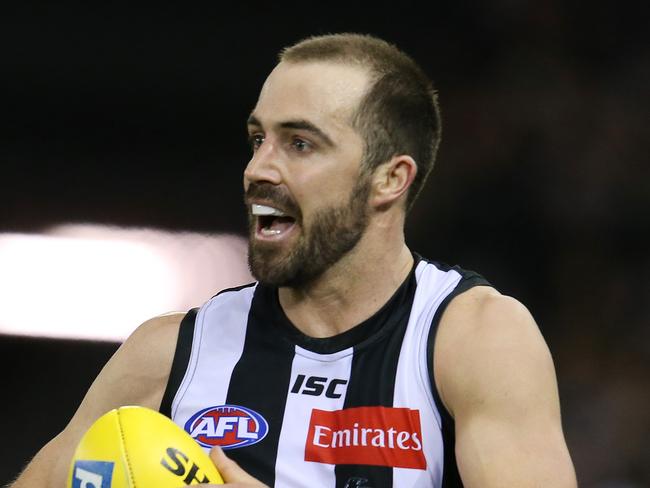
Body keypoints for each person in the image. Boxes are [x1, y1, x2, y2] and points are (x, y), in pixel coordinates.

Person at [11, 33, 577, 488]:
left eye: (299, 143)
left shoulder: (473, 339)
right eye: (258, 139)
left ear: (389, 179)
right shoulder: (169, 353)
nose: (259, 167)